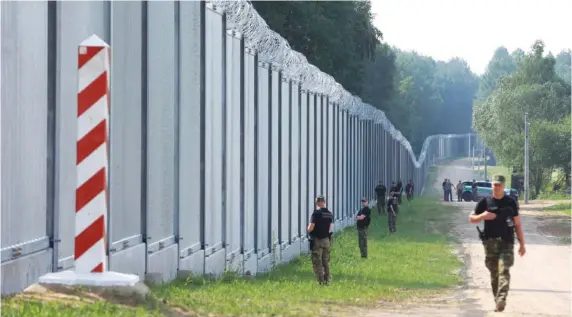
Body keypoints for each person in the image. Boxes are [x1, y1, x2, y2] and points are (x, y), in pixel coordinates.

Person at [469, 175, 526, 312]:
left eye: (500, 184)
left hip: (507, 242)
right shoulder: (485, 202)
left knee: (504, 270)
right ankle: (497, 300)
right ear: (492, 186)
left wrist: (522, 244)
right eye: (495, 184)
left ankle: (501, 298)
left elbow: (517, 224)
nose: (497, 187)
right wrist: (482, 216)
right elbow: (472, 218)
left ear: (504, 185)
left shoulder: (511, 202)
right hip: (490, 243)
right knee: (494, 273)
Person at [307, 195, 334, 285]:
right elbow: (330, 227)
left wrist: (308, 229)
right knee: (325, 261)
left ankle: (321, 281)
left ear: (318, 203)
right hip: (326, 240)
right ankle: (327, 280)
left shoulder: (316, 214)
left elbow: (311, 227)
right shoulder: (329, 214)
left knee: (317, 261)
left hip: (317, 241)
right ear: (324, 202)